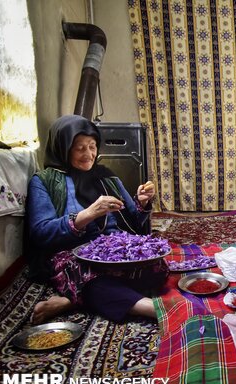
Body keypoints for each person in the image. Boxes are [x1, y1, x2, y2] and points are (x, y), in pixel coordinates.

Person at [26, 115, 168, 324]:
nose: (89, 155)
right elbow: (40, 233)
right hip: (74, 256)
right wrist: (87, 214)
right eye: (80, 148)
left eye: (92, 146)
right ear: (63, 148)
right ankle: (153, 308)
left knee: (158, 267)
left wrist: (142, 203)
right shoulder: (44, 181)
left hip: (114, 253)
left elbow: (137, 225)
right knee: (89, 278)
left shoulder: (107, 177)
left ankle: (71, 300)